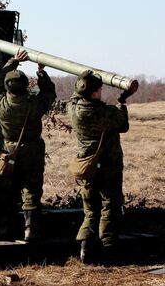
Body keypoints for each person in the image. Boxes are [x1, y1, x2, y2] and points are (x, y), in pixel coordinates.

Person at [67, 70, 132, 263]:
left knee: (90, 210)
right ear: (95, 92)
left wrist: (83, 78)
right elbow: (124, 125)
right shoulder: (108, 112)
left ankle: (85, 249)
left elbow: (74, 95)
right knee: (108, 207)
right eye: (100, 89)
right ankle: (108, 249)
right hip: (109, 168)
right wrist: (122, 102)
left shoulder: (73, 110)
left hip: (87, 168)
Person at [0, 51, 56, 241]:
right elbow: (49, 93)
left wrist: (12, 62)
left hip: (8, 150)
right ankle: (30, 229)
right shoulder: (35, 104)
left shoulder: (0, 103)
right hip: (32, 150)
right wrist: (41, 72)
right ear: (26, 86)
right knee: (31, 189)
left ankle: (5, 229)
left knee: (7, 189)